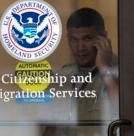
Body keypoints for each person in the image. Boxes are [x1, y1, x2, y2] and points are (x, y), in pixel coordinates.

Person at [44, 7, 119, 136]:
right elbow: (52, 126)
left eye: (87, 39)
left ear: (103, 39)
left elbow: (124, 111)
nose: (80, 47)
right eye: (74, 40)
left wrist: (104, 67)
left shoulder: (121, 70)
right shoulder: (63, 75)